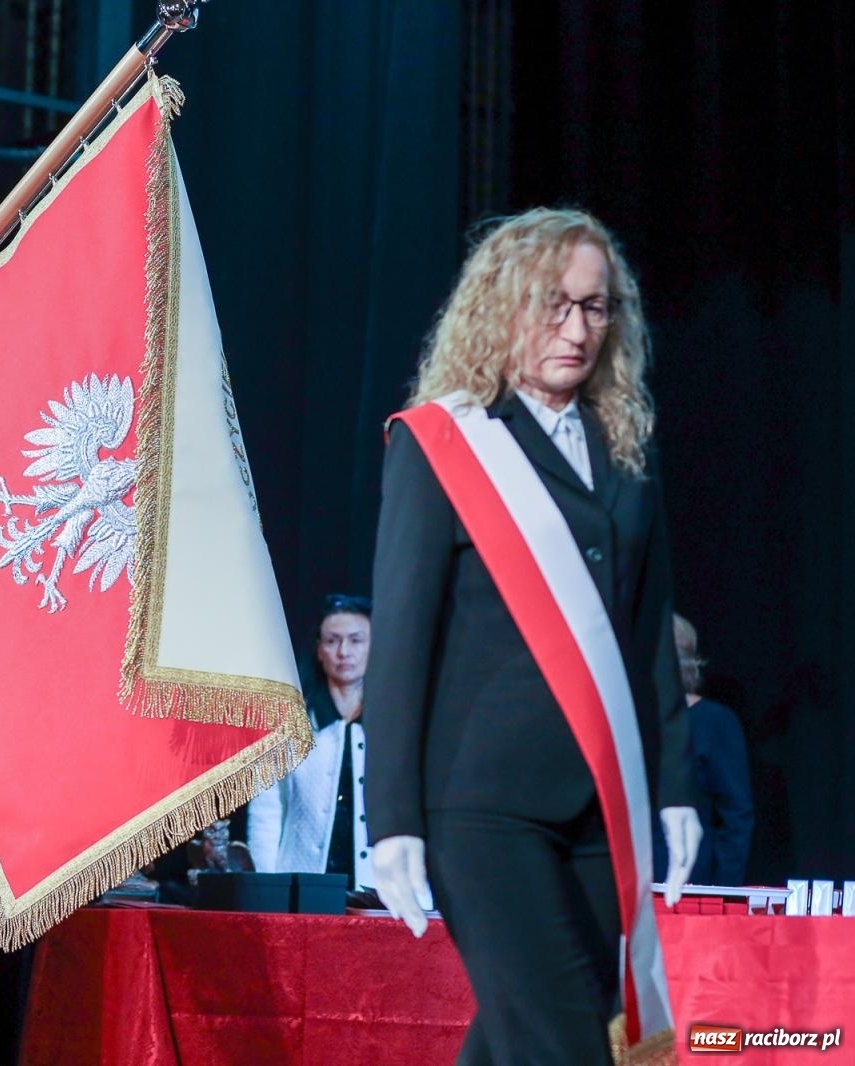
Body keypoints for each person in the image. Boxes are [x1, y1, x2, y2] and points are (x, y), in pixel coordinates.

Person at [364, 209, 701, 1064]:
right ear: (503, 308)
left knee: (555, 1033)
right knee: (562, 1045)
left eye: (595, 308)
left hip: (601, 805)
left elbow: (646, 640)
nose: (577, 329)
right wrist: (391, 817)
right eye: (553, 305)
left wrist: (673, 787)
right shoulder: (446, 443)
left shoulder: (626, 453)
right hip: (481, 808)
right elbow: (400, 641)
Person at [248, 595, 374, 888]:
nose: (344, 652)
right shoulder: (289, 722)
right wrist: (266, 885)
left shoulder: (398, 721)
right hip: (303, 882)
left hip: (382, 891)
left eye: (356, 640)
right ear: (319, 649)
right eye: (332, 641)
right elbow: (267, 809)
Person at [665, 613, 752, 884]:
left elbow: (736, 816)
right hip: (630, 892)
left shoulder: (715, 721)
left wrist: (723, 894)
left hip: (692, 887)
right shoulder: (627, 721)